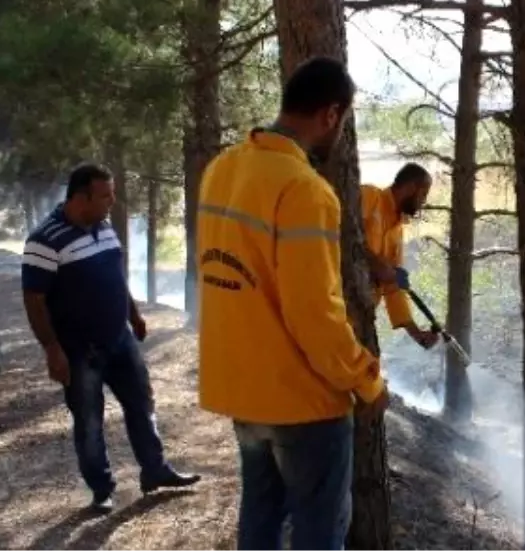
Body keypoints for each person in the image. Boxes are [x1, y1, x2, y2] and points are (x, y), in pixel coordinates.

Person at [195, 56, 390, 551]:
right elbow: (315, 315)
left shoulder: (222, 168)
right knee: (319, 533)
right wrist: (365, 379)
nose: (340, 133)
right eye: (343, 122)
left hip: (243, 390)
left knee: (259, 521)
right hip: (302, 401)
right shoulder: (306, 190)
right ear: (330, 114)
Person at [21, 164, 200, 514]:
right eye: (105, 195)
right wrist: (52, 349)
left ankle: (155, 470)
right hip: (79, 351)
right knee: (89, 422)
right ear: (81, 197)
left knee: (142, 404)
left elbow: (116, 277)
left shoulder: (103, 228)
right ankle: (101, 489)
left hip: (120, 339)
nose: (113, 202)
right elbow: (34, 300)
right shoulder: (44, 240)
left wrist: (133, 315)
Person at [360, 163, 438, 349]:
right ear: (411, 188)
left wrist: (417, 333)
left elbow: (394, 286)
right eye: (423, 194)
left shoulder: (397, 232)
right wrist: (374, 262)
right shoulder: (369, 196)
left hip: (362, 315)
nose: (423, 202)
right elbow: (341, 230)